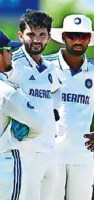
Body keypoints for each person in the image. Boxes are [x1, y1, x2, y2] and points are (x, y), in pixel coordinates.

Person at [45, 14, 94, 200]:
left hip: (82, 155)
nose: (78, 41)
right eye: (72, 36)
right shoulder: (46, 66)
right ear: (63, 37)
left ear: (89, 40)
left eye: (83, 36)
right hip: (51, 153)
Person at [7, 9, 60, 200]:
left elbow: (55, 91)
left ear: (49, 38)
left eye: (42, 35)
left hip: (50, 150)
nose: (36, 40)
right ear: (20, 36)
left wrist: (55, 114)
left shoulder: (51, 67)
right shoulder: (12, 63)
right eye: (31, 34)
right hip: (24, 150)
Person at [0, 30, 47, 200]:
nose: (10, 55)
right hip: (4, 165)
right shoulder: (7, 92)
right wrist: (18, 134)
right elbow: (39, 126)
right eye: (8, 50)